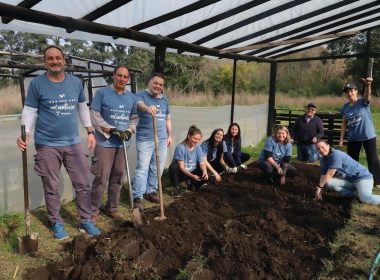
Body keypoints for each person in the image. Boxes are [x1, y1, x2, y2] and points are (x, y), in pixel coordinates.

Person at [16, 45, 100, 240]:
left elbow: (81, 107)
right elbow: (30, 110)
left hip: (72, 143)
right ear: (45, 62)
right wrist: (25, 132)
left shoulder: (76, 83)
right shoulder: (37, 84)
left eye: (58, 58)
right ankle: (56, 222)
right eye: (50, 58)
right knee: (51, 186)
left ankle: (85, 220)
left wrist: (89, 131)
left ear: (64, 60)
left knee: (82, 183)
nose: (55, 61)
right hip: (46, 144)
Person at [89, 65, 138, 221]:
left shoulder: (131, 97)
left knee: (118, 175)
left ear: (128, 79)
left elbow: (134, 118)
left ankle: (112, 207)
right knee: (101, 176)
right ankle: (93, 209)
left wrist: (129, 131)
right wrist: (110, 130)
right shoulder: (102, 93)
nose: (122, 79)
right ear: (114, 75)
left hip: (123, 143)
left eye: (125, 77)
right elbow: (94, 115)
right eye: (119, 75)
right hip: (105, 142)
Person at [132, 73, 172, 209]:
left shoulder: (164, 100)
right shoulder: (141, 95)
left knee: (158, 167)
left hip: (161, 139)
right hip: (145, 139)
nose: (158, 86)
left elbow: (168, 118)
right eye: (156, 83)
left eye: (161, 85)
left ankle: (151, 190)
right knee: (142, 168)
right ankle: (137, 197)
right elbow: (139, 105)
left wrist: (170, 135)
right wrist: (148, 108)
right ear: (150, 83)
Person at [339, 78, 380, 186]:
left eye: (351, 90)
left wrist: (367, 86)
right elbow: (344, 124)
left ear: (356, 91)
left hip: (368, 136)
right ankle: (355, 178)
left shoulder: (362, 102)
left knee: (372, 158)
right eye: (347, 92)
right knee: (352, 160)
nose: (349, 93)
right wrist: (341, 139)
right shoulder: (345, 107)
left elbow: (367, 95)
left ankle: (376, 181)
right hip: (353, 138)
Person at [315, 141, 380, 204]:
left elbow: (330, 174)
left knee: (365, 199)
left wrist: (319, 188)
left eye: (322, 147)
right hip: (349, 181)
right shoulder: (323, 159)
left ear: (328, 146)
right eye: (318, 149)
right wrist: (320, 191)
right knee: (329, 183)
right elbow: (323, 176)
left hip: (362, 178)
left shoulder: (336, 154)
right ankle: (352, 195)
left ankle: (362, 193)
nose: (321, 149)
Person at [169, 125, 208, 198]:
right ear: (189, 136)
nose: (196, 141)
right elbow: (181, 167)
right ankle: (177, 188)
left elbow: (202, 163)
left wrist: (204, 171)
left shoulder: (198, 148)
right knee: (175, 166)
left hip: (190, 172)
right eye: (195, 138)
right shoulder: (180, 147)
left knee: (206, 171)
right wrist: (192, 176)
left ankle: (192, 185)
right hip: (180, 173)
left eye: (198, 139)